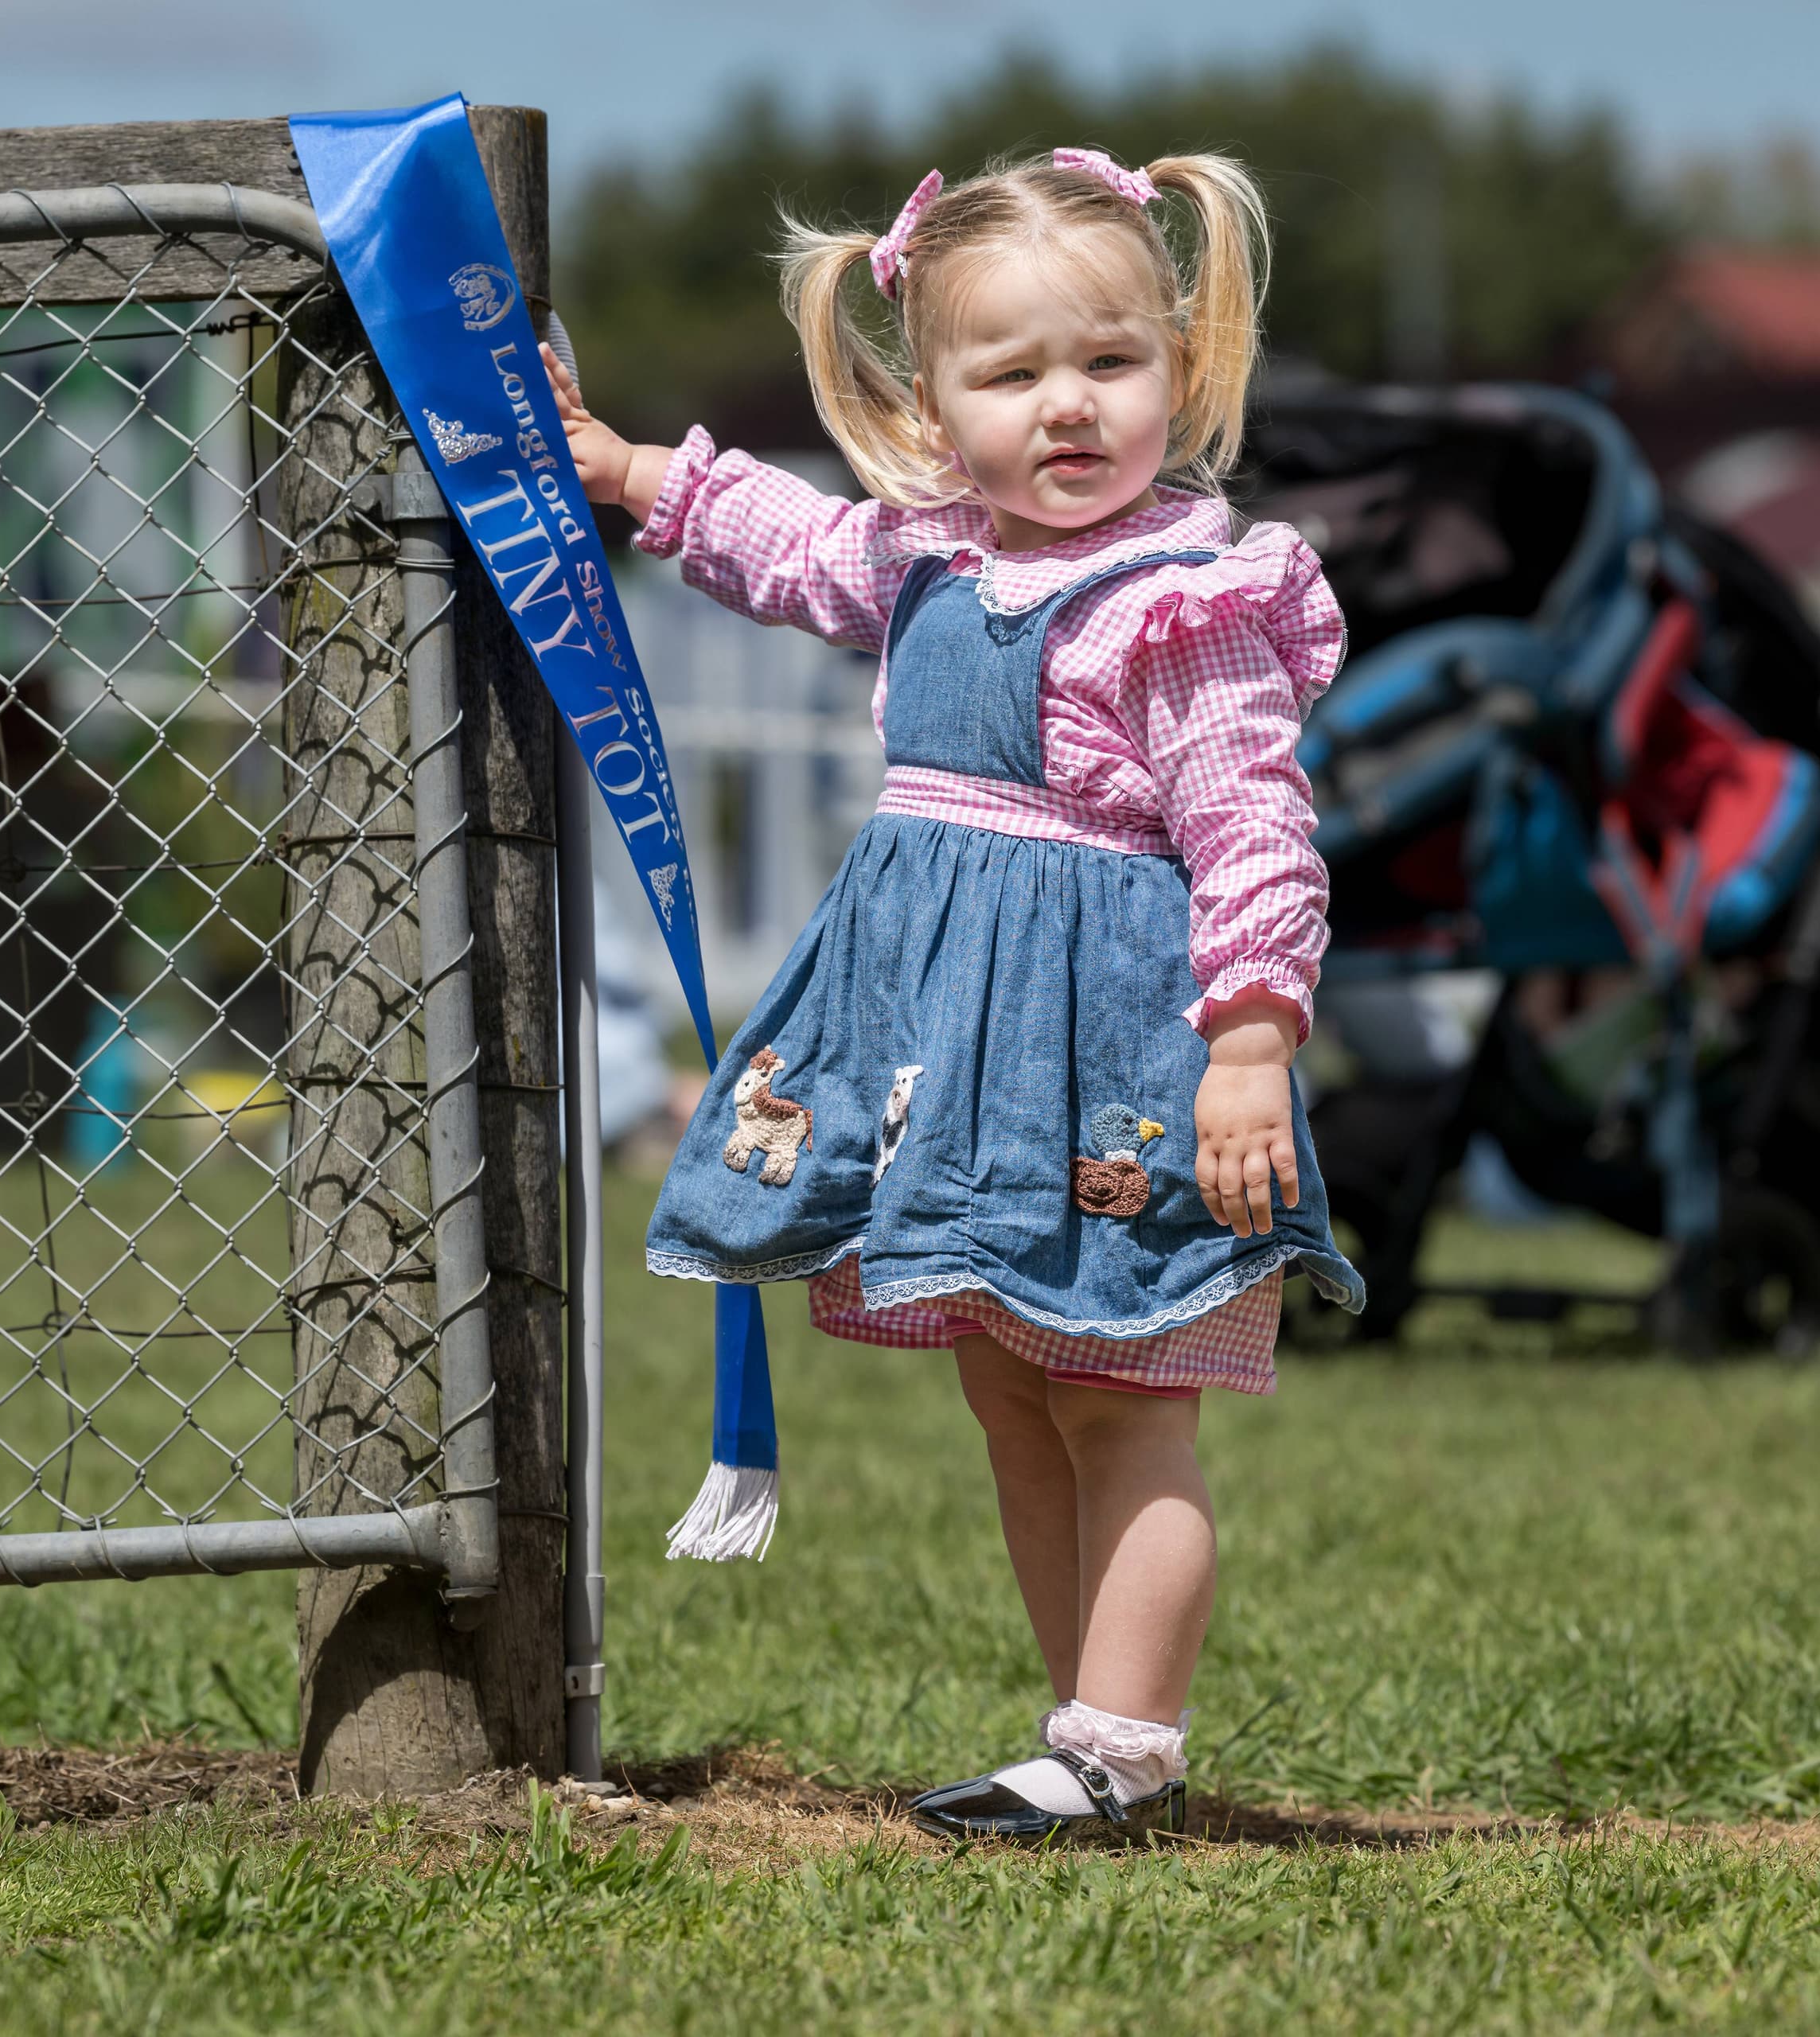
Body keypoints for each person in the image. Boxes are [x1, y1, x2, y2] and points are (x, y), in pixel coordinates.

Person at [552, 148, 1363, 1841]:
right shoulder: (929, 557)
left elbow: (1253, 826)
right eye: (1014, 374)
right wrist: (629, 469)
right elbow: (787, 543)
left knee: (1125, 1393)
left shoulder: (1182, 602)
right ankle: (1084, 1737)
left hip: (1121, 1064)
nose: (1069, 407)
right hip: (963, 1060)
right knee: (1012, 1384)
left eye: (1110, 364)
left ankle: (1126, 1742)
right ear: (932, 404)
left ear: (1182, 367)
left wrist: (1254, 1040)